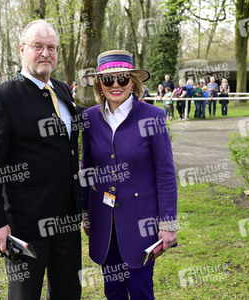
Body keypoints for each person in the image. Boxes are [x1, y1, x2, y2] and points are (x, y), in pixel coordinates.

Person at [0, 20, 84, 300]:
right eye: (38, 47)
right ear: (22, 49)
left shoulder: (60, 89)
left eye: (52, 48)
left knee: (68, 292)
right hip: (26, 225)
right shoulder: (2, 97)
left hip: (68, 219)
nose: (46, 53)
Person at [81, 50, 179, 300]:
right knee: (112, 289)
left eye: (122, 78)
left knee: (140, 288)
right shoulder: (89, 118)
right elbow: (87, 169)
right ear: (99, 85)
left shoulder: (152, 117)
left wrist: (167, 224)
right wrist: (84, 212)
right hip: (104, 220)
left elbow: (166, 173)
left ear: (133, 82)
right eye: (108, 79)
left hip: (142, 222)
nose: (115, 85)